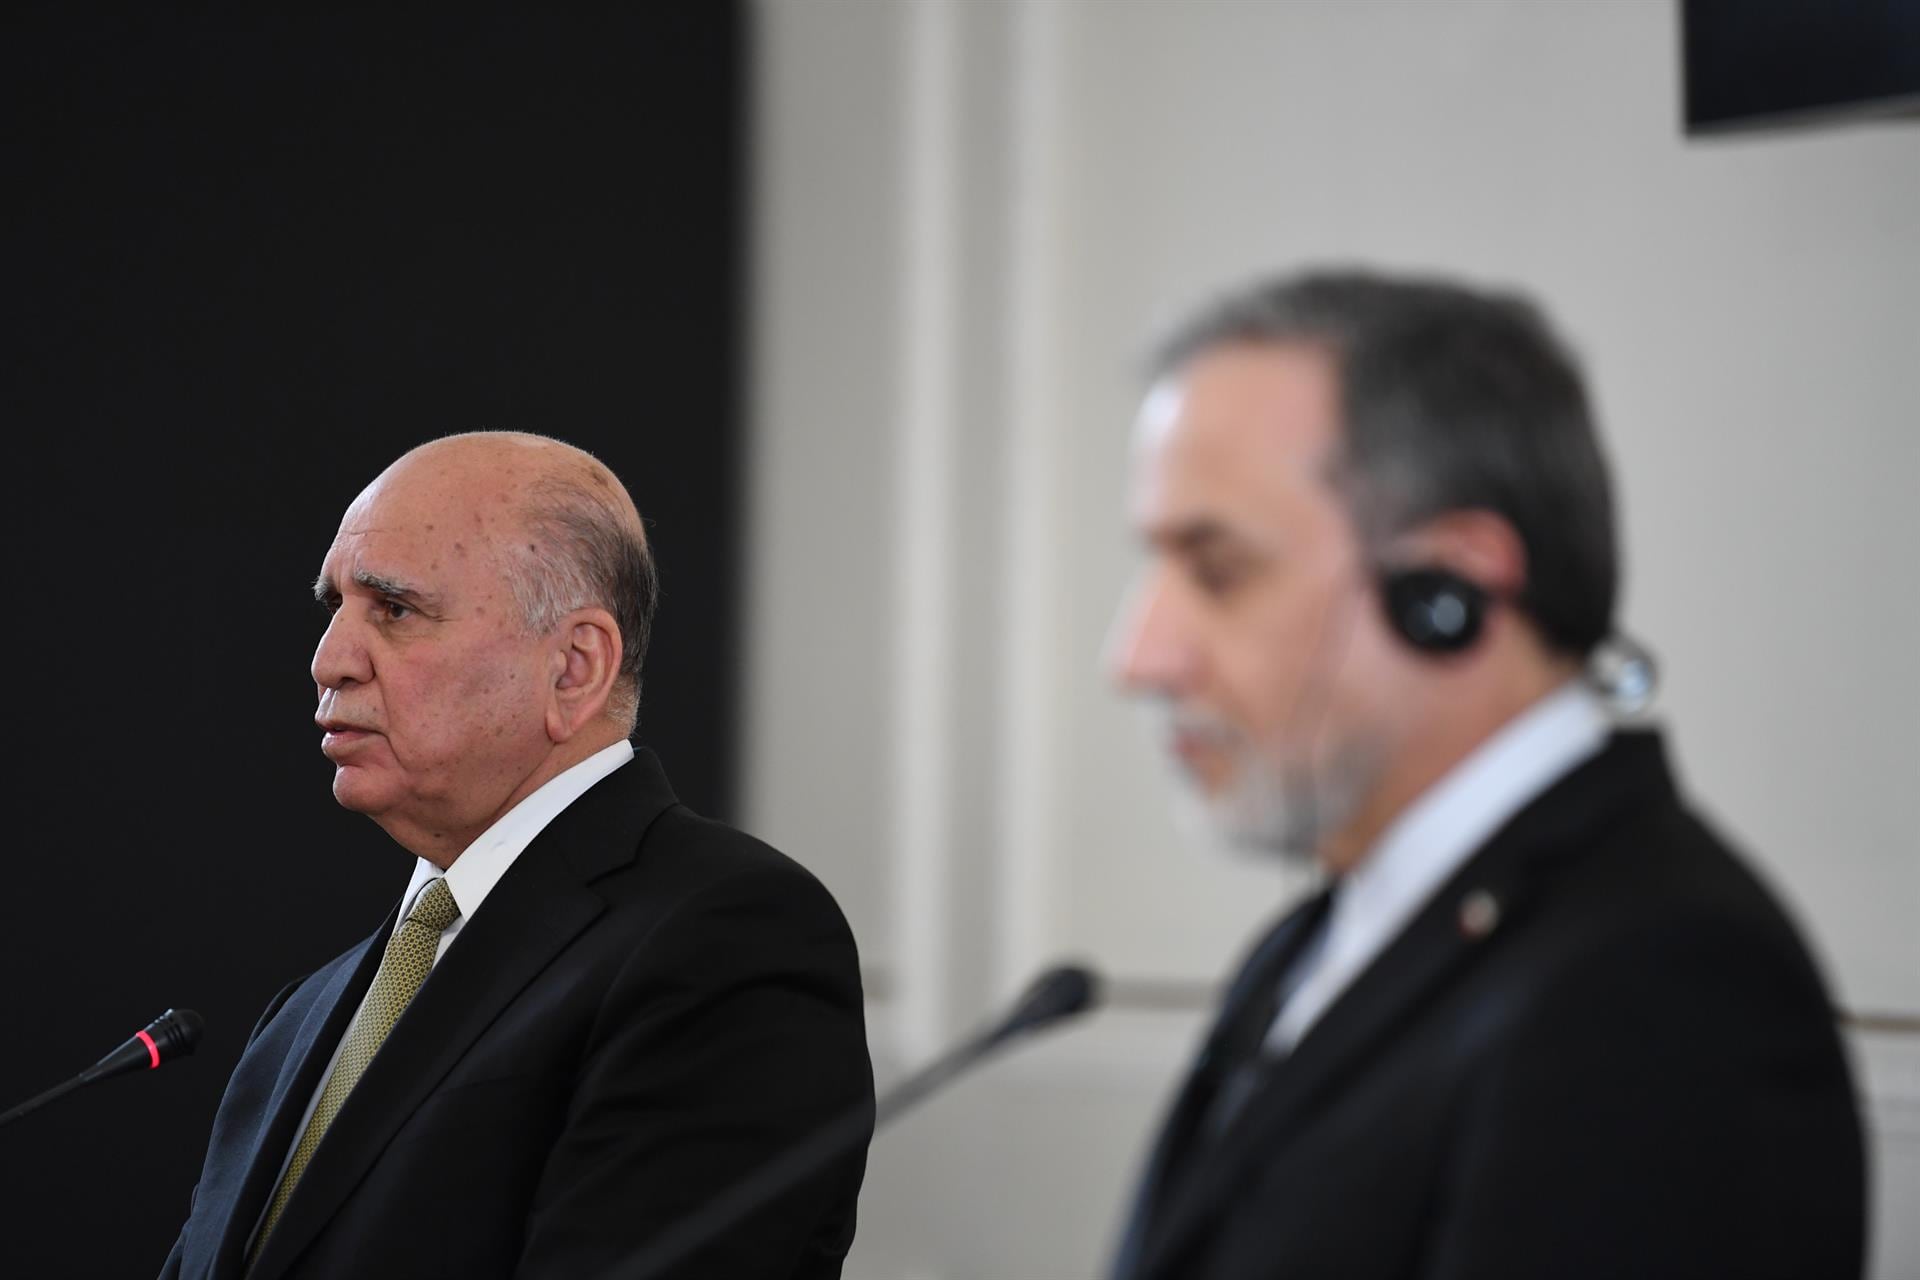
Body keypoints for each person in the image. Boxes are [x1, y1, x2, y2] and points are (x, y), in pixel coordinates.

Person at [1105, 271, 1865, 1279]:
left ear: (1449, 585)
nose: (1138, 657)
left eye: (1219, 569)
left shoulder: (1662, 989)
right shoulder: (1327, 934)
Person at [160, 433, 873, 1280]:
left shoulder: (728, 942)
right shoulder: (300, 1020)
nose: (329, 661)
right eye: (334, 607)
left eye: (394, 610)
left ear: (574, 668)